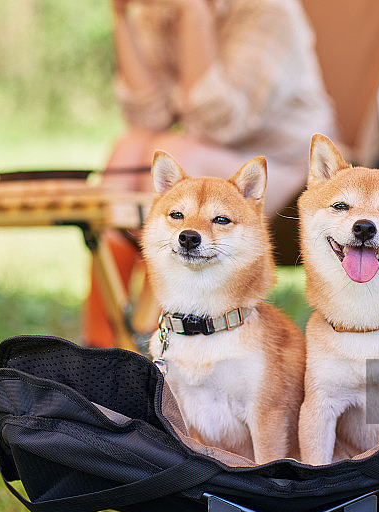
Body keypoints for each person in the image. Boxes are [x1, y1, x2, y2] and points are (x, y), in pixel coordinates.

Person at [84, 0, 338, 348]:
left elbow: (214, 122)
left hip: (287, 170)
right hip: (207, 160)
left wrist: (194, 13)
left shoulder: (268, 12)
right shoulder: (157, 11)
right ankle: (100, 343)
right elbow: (147, 118)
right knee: (129, 148)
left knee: (182, 154)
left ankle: (159, 339)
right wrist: (121, 17)